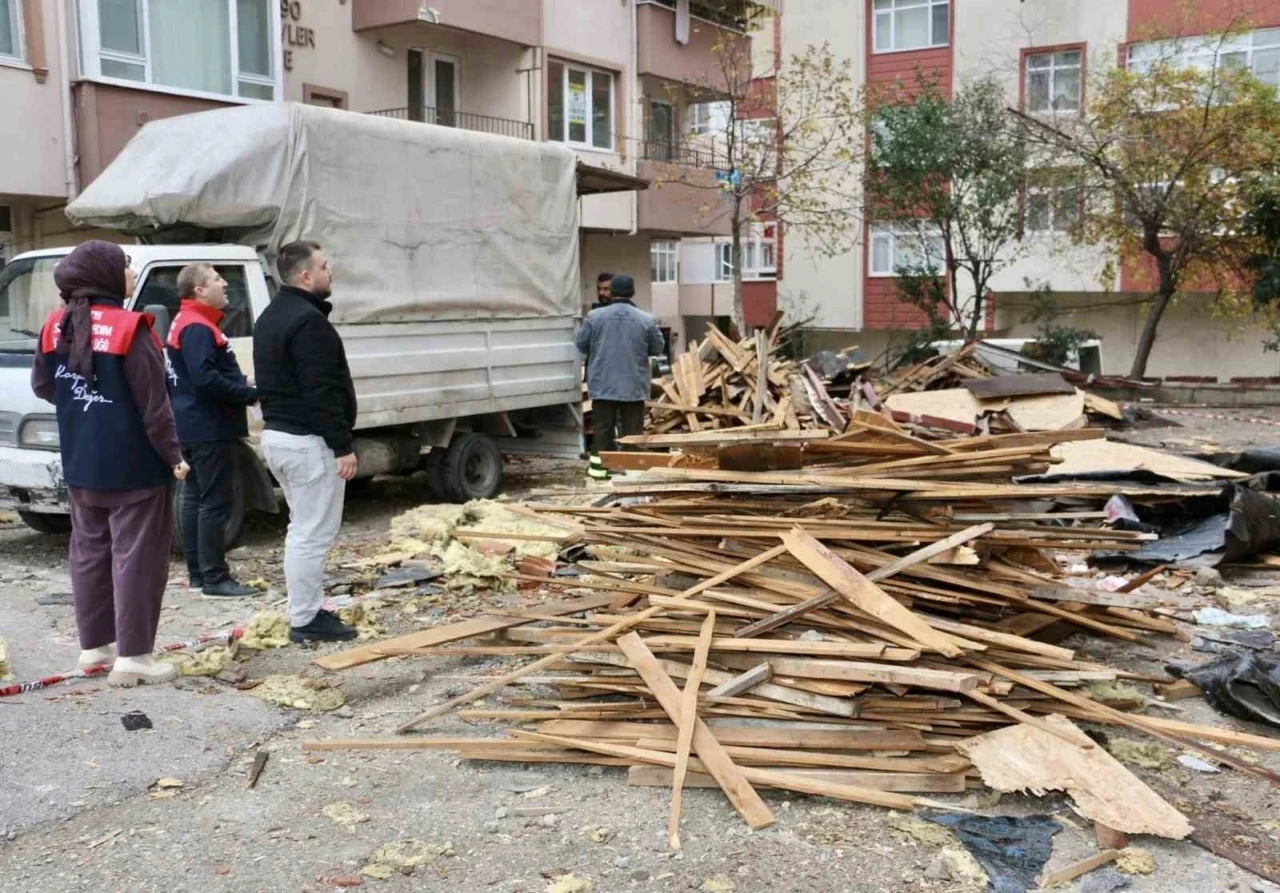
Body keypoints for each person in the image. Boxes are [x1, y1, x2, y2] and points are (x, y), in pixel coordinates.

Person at [30, 241, 189, 687]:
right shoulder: (130, 328)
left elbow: (44, 385)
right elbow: (155, 407)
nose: (132, 273)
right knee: (137, 557)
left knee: (89, 553)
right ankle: (135, 657)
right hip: (134, 466)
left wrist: (86, 409)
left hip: (81, 460)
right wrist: (174, 457)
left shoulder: (53, 328)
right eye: (125, 266)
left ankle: (94, 650)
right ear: (104, 275)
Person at [253, 241, 359, 643]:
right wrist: (342, 445)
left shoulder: (270, 316)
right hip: (307, 442)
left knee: (303, 530)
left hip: (280, 436)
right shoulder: (308, 322)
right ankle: (306, 618)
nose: (330, 272)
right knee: (312, 534)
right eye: (324, 266)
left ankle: (307, 606)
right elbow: (321, 390)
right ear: (304, 276)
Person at [165, 264, 260, 598]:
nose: (225, 285)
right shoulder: (197, 327)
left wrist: (242, 382)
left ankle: (198, 574)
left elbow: (198, 375)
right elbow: (204, 378)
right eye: (217, 280)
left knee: (195, 497)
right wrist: (250, 394)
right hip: (209, 426)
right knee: (215, 502)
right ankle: (215, 577)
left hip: (191, 423)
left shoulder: (188, 321)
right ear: (199, 291)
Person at [575, 273, 665, 481]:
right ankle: (631, 472)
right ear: (632, 292)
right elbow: (657, 348)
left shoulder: (594, 317)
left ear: (611, 291)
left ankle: (599, 472)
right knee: (632, 432)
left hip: (602, 385)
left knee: (602, 431)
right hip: (633, 385)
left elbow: (581, 345)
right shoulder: (646, 319)